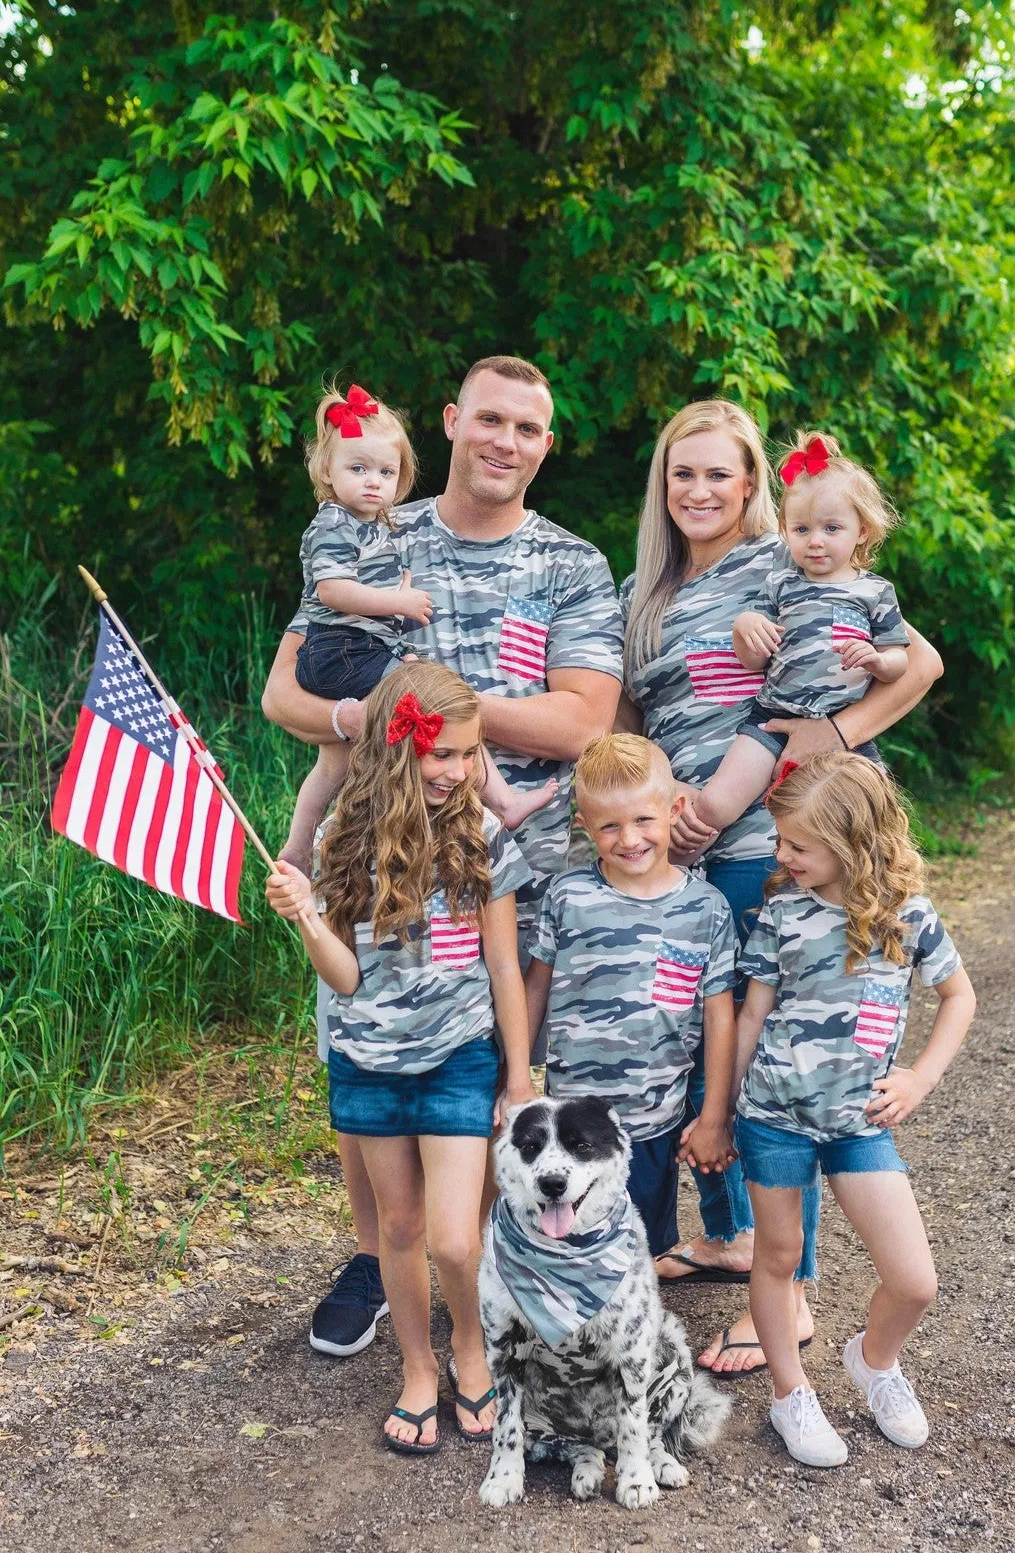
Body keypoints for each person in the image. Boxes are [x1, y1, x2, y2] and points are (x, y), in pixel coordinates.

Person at [262, 356, 624, 1355]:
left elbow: (582, 719)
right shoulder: (374, 525)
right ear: (455, 423)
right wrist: (373, 713)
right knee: (364, 1050)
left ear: (547, 446)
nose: (506, 441)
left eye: (528, 428)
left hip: (515, 868)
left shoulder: (569, 565)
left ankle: (507, 1260)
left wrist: (436, 705)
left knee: (504, 1076)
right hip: (376, 862)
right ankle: (379, 1255)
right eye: (490, 420)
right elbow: (284, 694)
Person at [618, 398, 944, 1377]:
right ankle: (723, 1236)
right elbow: (636, 720)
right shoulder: (645, 591)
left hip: (777, 841)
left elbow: (918, 662)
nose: (700, 490)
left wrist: (833, 736)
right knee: (696, 1040)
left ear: (753, 484)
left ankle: (787, 1295)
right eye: (684, 472)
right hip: (679, 851)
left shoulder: (791, 560)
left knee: (768, 1061)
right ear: (663, 484)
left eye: (720, 473)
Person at [265, 662, 535, 1453]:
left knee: (456, 1238)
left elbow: (502, 968)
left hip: (457, 1059)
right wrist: (308, 919)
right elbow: (344, 976)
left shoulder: (483, 836)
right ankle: (418, 1368)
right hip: (369, 1065)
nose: (456, 772)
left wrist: (517, 1075)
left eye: (468, 754)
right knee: (400, 1227)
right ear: (396, 746)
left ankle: (470, 1348)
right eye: (440, 754)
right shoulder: (340, 839)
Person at [707, 753, 975, 1466]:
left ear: (855, 843)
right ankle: (791, 1394)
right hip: (774, 1118)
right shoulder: (781, 916)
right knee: (779, 1257)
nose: (781, 855)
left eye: (798, 844)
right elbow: (751, 1016)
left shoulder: (909, 915)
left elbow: (960, 998)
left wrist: (918, 1077)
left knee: (915, 1280)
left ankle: (875, 1362)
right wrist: (726, 1115)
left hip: (861, 1125)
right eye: (780, 840)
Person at [282, 380, 556, 872]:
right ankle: (504, 799)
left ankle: (299, 844)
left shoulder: (378, 528)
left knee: (334, 761)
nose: (372, 482)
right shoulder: (340, 523)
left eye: (385, 472)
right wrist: (398, 604)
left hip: (363, 650)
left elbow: (585, 723)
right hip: (343, 651)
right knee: (441, 700)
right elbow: (323, 605)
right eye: (358, 468)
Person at [524, 733, 738, 1255]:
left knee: (640, 1247)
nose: (630, 839)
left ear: (674, 809)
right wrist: (514, 1079)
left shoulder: (707, 909)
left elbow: (721, 1021)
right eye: (609, 826)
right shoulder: (568, 896)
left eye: (644, 820)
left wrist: (713, 1116)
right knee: (565, 1237)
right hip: (570, 1118)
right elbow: (535, 988)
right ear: (584, 826)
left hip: (654, 1118)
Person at [690, 430, 909, 840]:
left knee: (880, 822)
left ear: (861, 531)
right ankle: (678, 877)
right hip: (773, 717)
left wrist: (879, 661)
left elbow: (900, 660)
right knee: (715, 805)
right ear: (785, 531)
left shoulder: (874, 591)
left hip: (844, 727)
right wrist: (744, 628)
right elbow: (754, 661)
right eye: (802, 529)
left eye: (831, 528)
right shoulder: (781, 584)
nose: (816, 542)